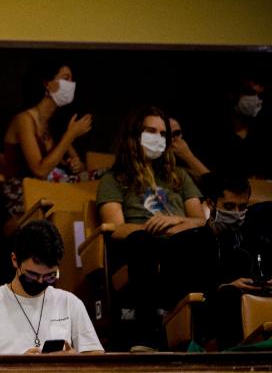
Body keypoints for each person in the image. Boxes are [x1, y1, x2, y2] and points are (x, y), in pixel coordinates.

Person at [96, 105, 205, 349]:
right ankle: (146, 338)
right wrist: (153, 230)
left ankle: (203, 338)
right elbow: (117, 229)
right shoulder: (114, 179)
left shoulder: (180, 176)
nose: (158, 138)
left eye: (163, 133)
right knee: (142, 242)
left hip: (183, 242)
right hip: (141, 246)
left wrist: (176, 222)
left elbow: (200, 220)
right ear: (134, 135)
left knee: (203, 240)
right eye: (150, 131)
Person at [0, 219, 102, 355]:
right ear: (15, 260)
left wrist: (75, 360)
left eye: (49, 276)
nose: (40, 282)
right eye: (32, 275)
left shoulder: (70, 303)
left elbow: (97, 359)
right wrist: (19, 366)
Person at [161, 172, 267, 349]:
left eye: (242, 207)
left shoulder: (251, 244)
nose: (237, 214)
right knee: (229, 295)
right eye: (229, 206)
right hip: (203, 320)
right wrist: (221, 288)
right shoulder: (182, 243)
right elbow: (175, 298)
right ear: (211, 204)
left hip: (249, 314)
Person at [2, 61, 94, 217]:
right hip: (25, 191)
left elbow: (80, 167)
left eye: (72, 80)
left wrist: (76, 165)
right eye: (66, 78)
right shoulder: (24, 119)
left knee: (103, 177)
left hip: (53, 188)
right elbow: (40, 170)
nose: (71, 84)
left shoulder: (55, 123)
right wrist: (70, 135)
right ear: (47, 84)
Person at [199, 76, 272, 179]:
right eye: (250, 93)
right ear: (232, 94)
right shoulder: (211, 132)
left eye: (260, 96)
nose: (256, 100)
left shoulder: (262, 135)